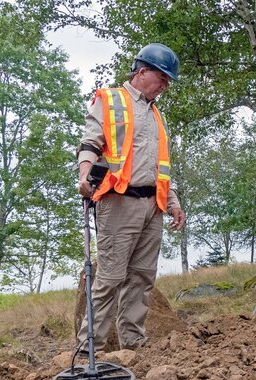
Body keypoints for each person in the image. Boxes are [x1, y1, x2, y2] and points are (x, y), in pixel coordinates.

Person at [76, 43, 186, 351]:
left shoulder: (156, 116)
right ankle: (89, 349)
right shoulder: (110, 100)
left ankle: (134, 345)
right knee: (110, 278)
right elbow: (90, 142)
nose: (165, 86)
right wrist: (84, 175)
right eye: (162, 78)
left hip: (153, 206)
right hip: (119, 203)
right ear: (142, 72)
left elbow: (161, 166)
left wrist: (173, 202)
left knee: (142, 278)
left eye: (168, 81)